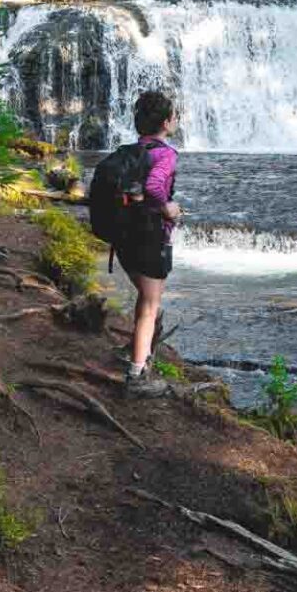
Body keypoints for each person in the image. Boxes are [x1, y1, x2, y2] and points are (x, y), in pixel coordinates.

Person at [118, 90, 182, 398]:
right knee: (150, 306)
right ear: (167, 122)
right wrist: (167, 207)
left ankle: (134, 353)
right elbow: (156, 187)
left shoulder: (128, 151)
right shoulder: (166, 154)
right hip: (149, 237)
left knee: (144, 300)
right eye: (174, 116)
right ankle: (136, 376)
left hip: (123, 237)